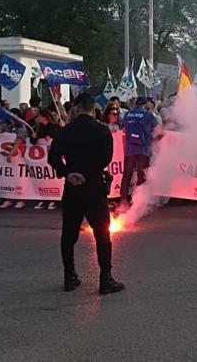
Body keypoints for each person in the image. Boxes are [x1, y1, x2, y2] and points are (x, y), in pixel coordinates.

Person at [47, 93, 124, 294]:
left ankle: (69, 276)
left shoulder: (66, 131)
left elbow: (53, 158)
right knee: (102, 234)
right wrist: (87, 174)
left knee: (69, 234)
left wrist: (69, 173)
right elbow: (105, 158)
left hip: (73, 187)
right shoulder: (102, 130)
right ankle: (106, 278)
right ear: (92, 108)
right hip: (94, 187)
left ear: (78, 107)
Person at [119, 98, 161, 206]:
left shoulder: (127, 115)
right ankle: (139, 202)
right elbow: (160, 132)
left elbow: (123, 130)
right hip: (144, 149)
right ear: (144, 105)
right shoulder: (149, 115)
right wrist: (151, 137)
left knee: (127, 174)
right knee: (141, 175)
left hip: (130, 149)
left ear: (135, 104)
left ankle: (123, 200)